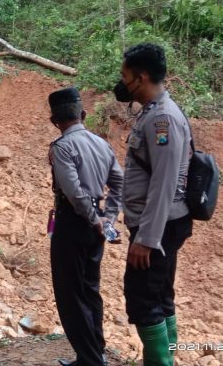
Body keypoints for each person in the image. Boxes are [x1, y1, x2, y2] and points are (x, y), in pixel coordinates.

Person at [114, 43, 192, 366]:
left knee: (144, 301)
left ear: (141, 77)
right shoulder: (151, 112)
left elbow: (163, 184)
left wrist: (147, 239)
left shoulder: (163, 120)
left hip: (159, 227)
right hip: (162, 224)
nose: (121, 82)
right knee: (160, 297)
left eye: (125, 76)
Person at [47, 87, 123, 366]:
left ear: (54, 121)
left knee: (70, 293)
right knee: (90, 288)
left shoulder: (62, 147)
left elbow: (74, 191)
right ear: (84, 114)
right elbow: (119, 182)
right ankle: (92, 353)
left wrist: (93, 218)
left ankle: (91, 360)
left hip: (74, 222)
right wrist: (108, 218)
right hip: (96, 222)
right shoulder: (102, 144)